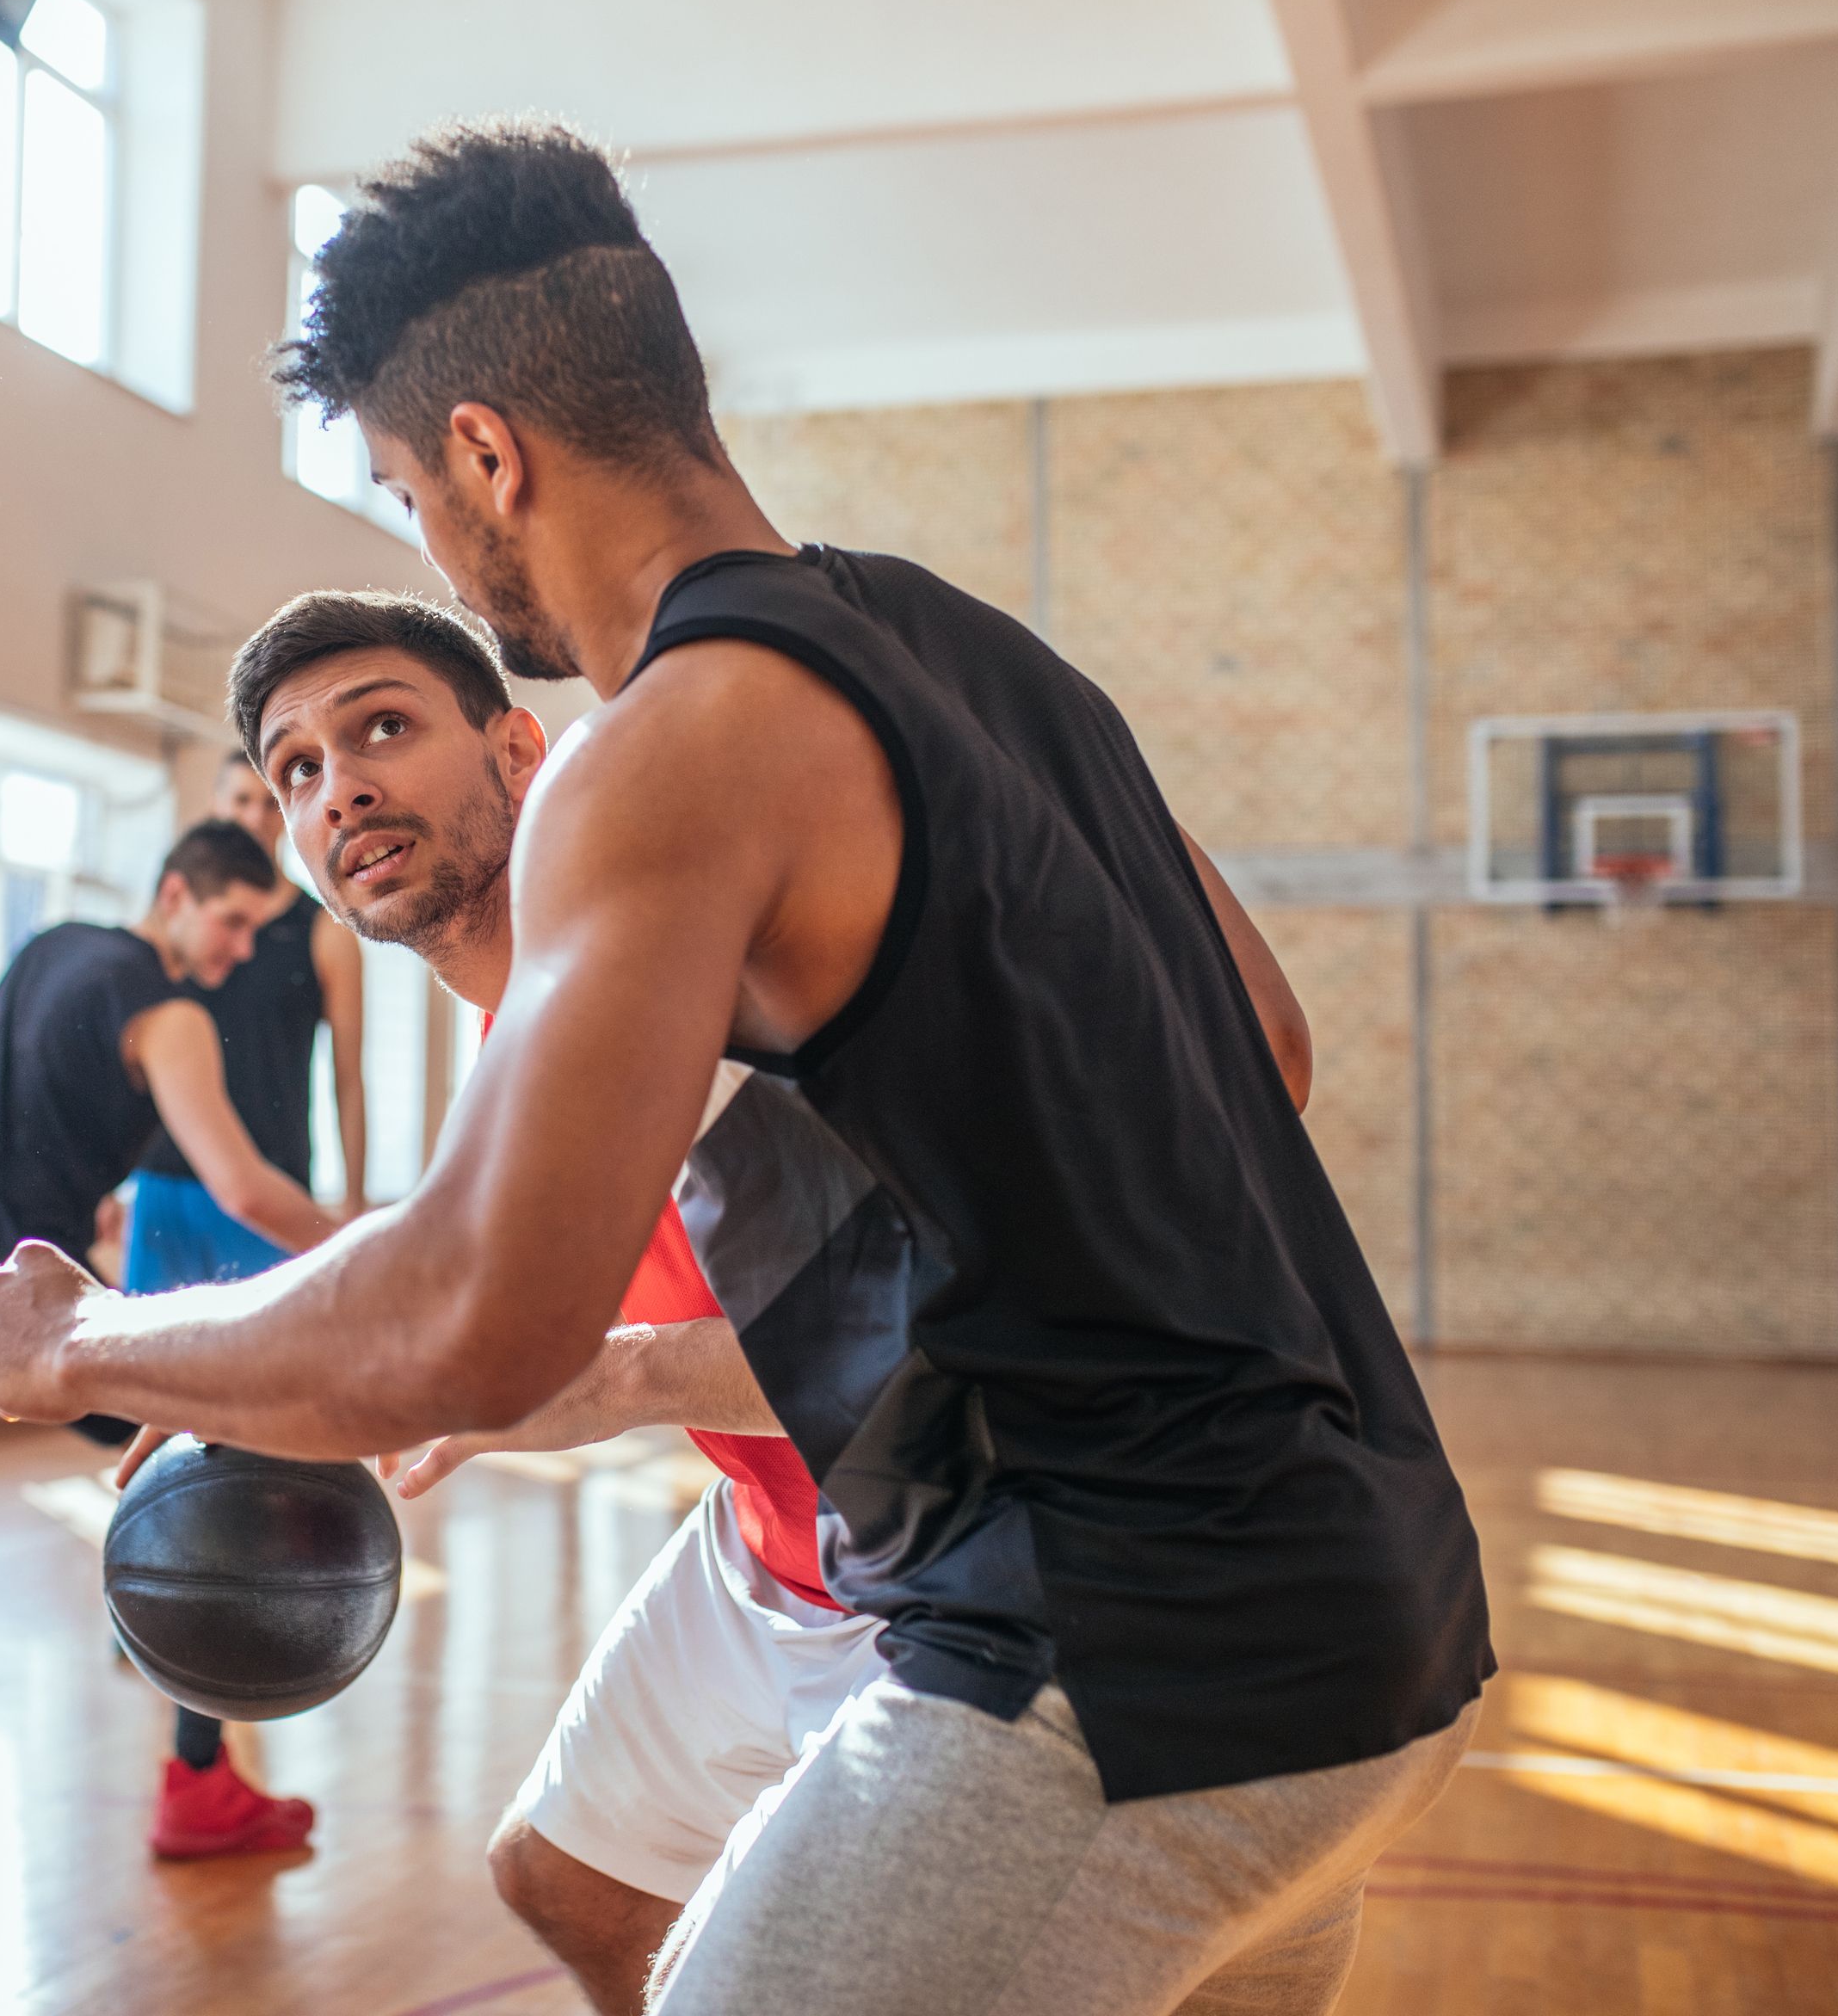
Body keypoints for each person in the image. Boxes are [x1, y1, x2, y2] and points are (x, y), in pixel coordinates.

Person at [0, 120, 1491, 2016]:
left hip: (1118, 1661)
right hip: (1374, 1608)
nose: (429, 534)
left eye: (413, 492)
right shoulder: (982, 652)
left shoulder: (657, 749)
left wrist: (79, 1344)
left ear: (489, 455)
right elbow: (1269, 1043)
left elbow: (475, 1320)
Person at [215, 588, 1317, 2015]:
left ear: (520, 751)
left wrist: (616, 1379)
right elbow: (428, 1280)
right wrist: (237, 1384)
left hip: (970, 1564)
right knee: (570, 1878)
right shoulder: (515, 1033)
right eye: (297, 769)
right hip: (779, 1549)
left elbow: (928, 1341)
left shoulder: (685, 981)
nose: (341, 783)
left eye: (381, 728)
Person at [0, 818, 342, 1860]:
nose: (235, 951)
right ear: (176, 894)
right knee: (215, 1434)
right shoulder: (169, 1013)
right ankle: (198, 1782)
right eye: (230, 923)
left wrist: (75, 1196)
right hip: (16, 1300)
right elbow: (243, 1182)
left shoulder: (50, 947)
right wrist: (372, 1252)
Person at [117, 752, 367, 1292]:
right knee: (151, 1371)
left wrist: (354, 1204)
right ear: (216, 807)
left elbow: (348, 1078)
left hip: (272, 1185)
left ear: (287, 811)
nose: (256, 817)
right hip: (166, 1183)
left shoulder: (323, 933)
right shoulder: (176, 925)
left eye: (268, 803)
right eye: (241, 801)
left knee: (265, 1371)